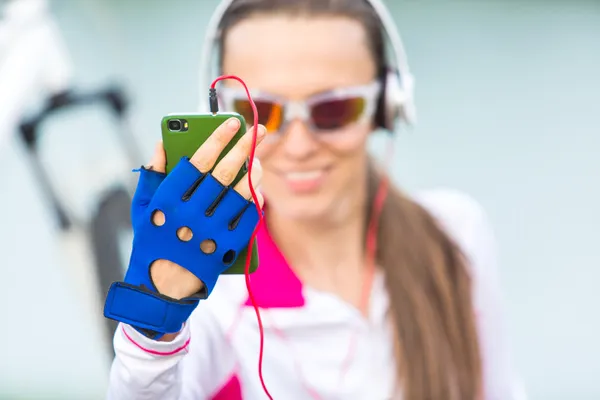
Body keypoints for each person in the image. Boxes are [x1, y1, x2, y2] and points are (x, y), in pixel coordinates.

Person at [105, 0, 524, 399]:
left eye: (334, 109)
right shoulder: (212, 299)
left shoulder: (455, 233)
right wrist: (156, 315)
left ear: (388, 105)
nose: (299, 145)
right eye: (261, 112)